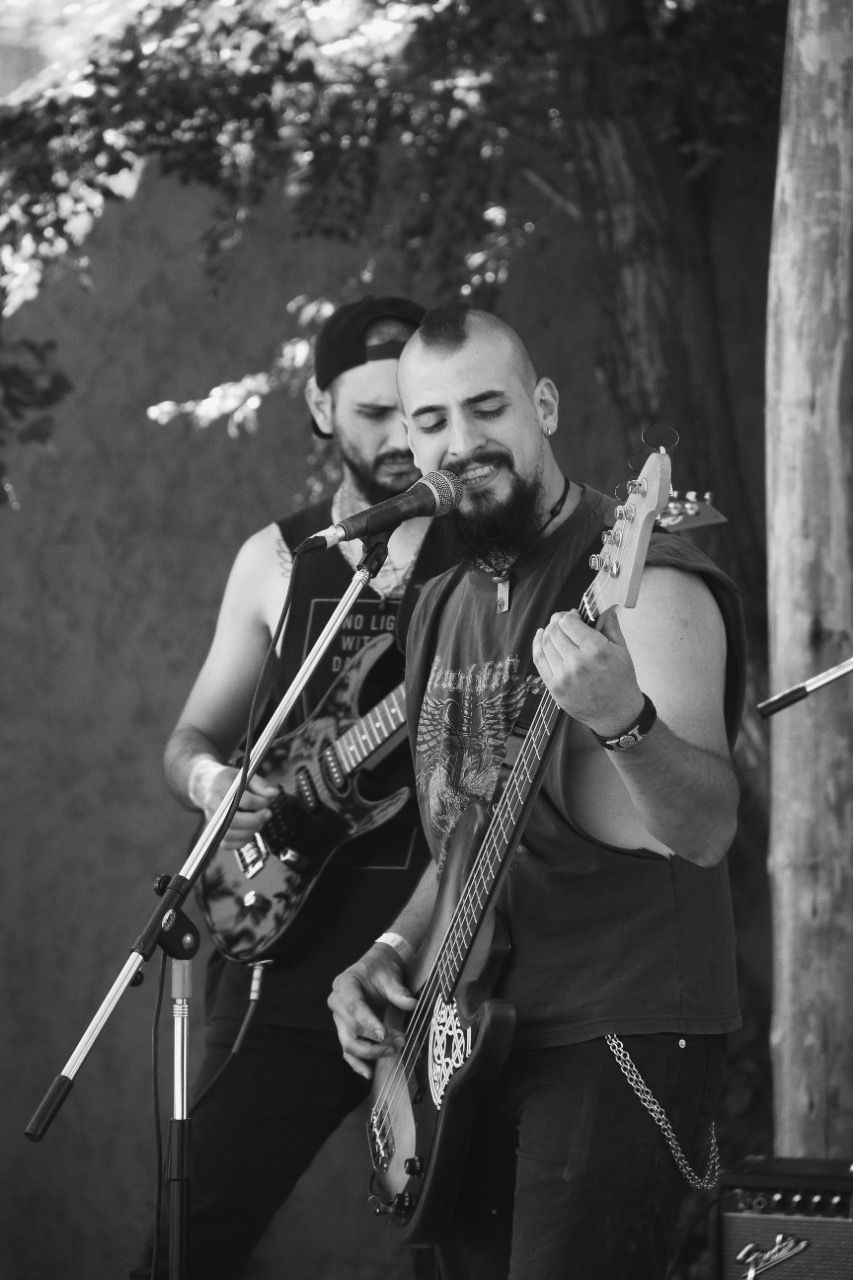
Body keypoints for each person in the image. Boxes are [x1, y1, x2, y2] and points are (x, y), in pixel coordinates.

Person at [328, 302, 746, 1280]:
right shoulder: (439, 604)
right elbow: (462, 839)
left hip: (617, 1023)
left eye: (488, 408)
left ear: (543, 406)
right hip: (460, 1044)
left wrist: (624, 720)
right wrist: (391, 949)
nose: (462, 443)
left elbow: (706, 828)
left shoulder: (647, 575)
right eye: (432, 421)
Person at [131, 295, 461, 1279]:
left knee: (468, 1247)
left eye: (415, 410)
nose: (399, 437)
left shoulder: (491, 561)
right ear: (320, 408)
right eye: (371, 413)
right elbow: (189, 738)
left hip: (446, 958)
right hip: (281, 955)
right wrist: (212, 782)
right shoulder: (281, 559)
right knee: (190, 1240)